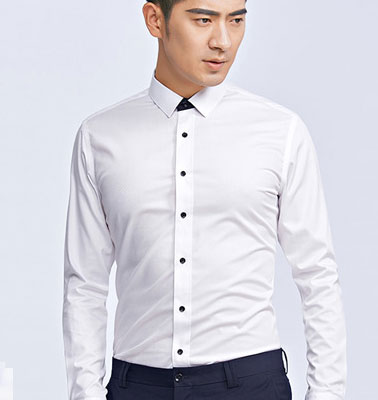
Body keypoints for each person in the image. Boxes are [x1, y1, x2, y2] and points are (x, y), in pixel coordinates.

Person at [62, 1, 347, 399]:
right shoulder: (100, 137)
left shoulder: (281, 132)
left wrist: (328, 393)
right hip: (139, 384)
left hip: (249, 384)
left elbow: (316, 274)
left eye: (236, 20)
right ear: (155, 20)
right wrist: (85, 393)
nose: (223, 41)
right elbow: (85, 284)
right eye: (203, 20)